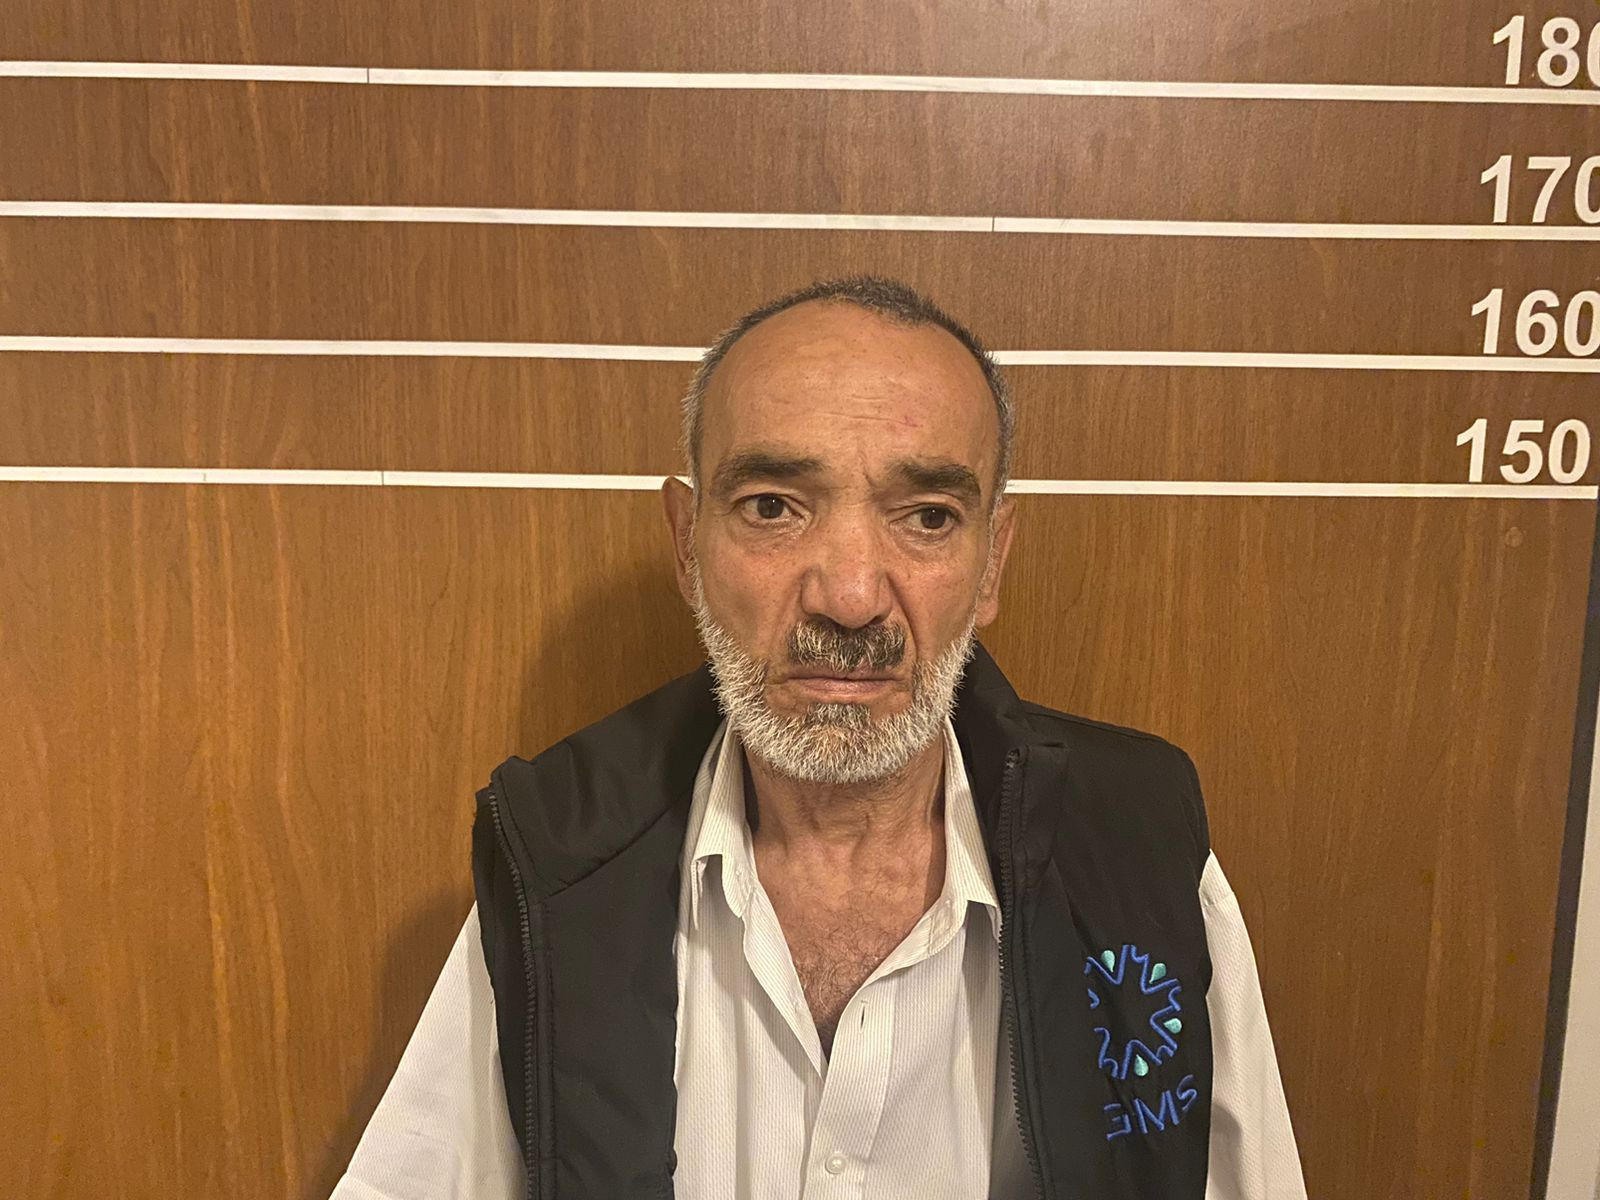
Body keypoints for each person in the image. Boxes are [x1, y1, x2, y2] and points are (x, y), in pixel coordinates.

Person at [329, 276, 1306, 1200]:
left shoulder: (1136, 846)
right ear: (687, 545)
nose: (849, 595)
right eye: (772, 507)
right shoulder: (558, 863)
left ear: (992, 563)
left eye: (927, 517)